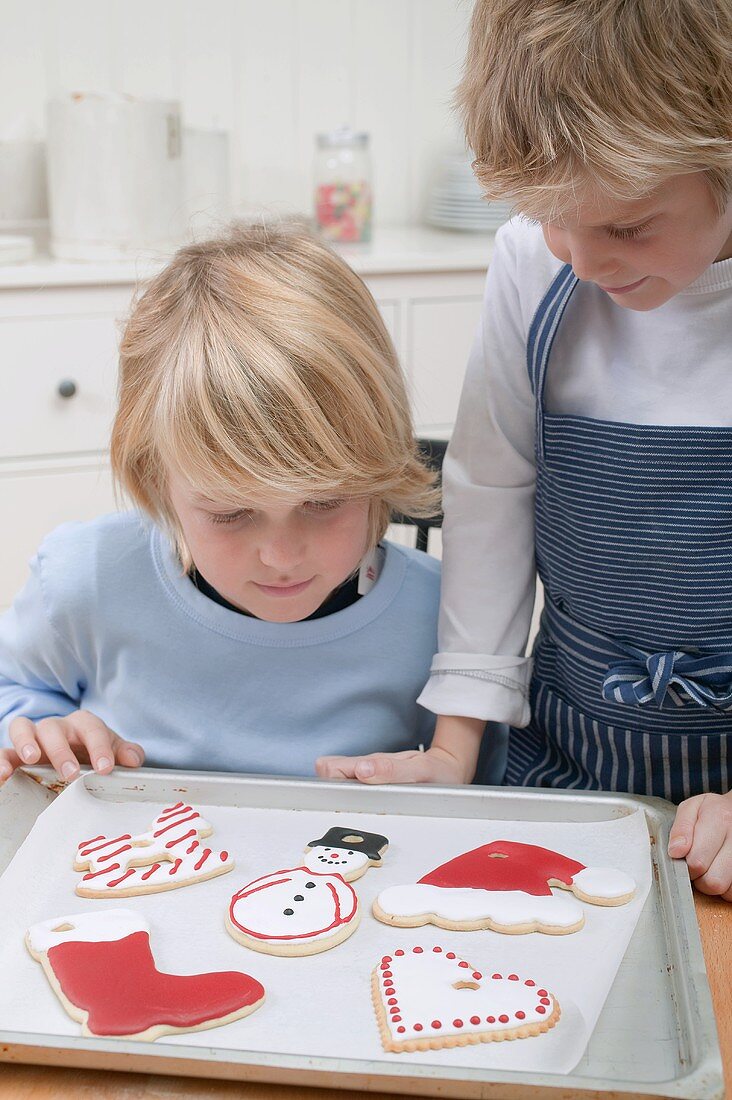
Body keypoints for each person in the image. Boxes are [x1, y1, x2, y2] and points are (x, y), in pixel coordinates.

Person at [326, 0, 732, 901]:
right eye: (553, 216)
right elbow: (489, 492)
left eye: (626, 227)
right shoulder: (533, 264)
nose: (583, 261)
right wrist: (453, 748)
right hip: (567, 760)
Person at [0, 222, 444, 783]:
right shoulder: (83, 578)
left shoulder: (443, 618)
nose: (281, 556)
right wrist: (41, 727)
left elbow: (482, 792)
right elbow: (13, 687)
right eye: (231, 513)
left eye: (324, 502)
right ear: (155, 474)